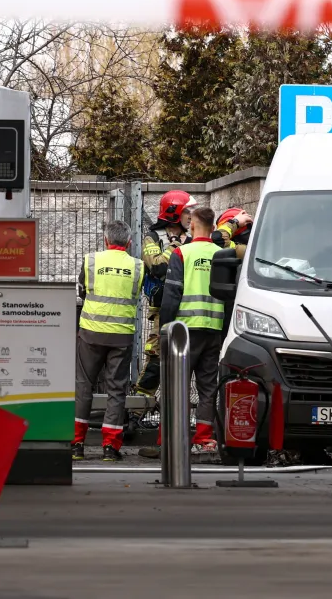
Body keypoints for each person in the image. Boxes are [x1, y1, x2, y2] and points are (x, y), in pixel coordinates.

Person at [141, 206, 225, 457]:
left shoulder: (182, 253)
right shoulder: (223, 254)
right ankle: (204, 440)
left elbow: (172, 292)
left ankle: (168, 440)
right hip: (213, 330)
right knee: (208, 387)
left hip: (184, 332)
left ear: (193, 225)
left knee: (174, 385)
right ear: (212, 227)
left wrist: (166, 328)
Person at [73, 220, 144, 462]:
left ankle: (76, 445)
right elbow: (136, 295)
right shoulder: (138, 266)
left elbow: (83, 291)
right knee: (116, 389)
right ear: (129, 242)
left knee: (83, 386)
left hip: (91, 332)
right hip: (121, 336)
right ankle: (110, 448)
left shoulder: (91, 260)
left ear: (105, 240)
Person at [133, 190, 198, 397]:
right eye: (188, 211)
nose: (191, 216)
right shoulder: (152, 238)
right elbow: (156, 267)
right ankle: (136, 413)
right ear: (174, 212)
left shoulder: (195, 239)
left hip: (189, 308)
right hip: (162, 309)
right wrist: (176, 247)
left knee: (185, 361)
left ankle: (175, 415)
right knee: (156, 360)